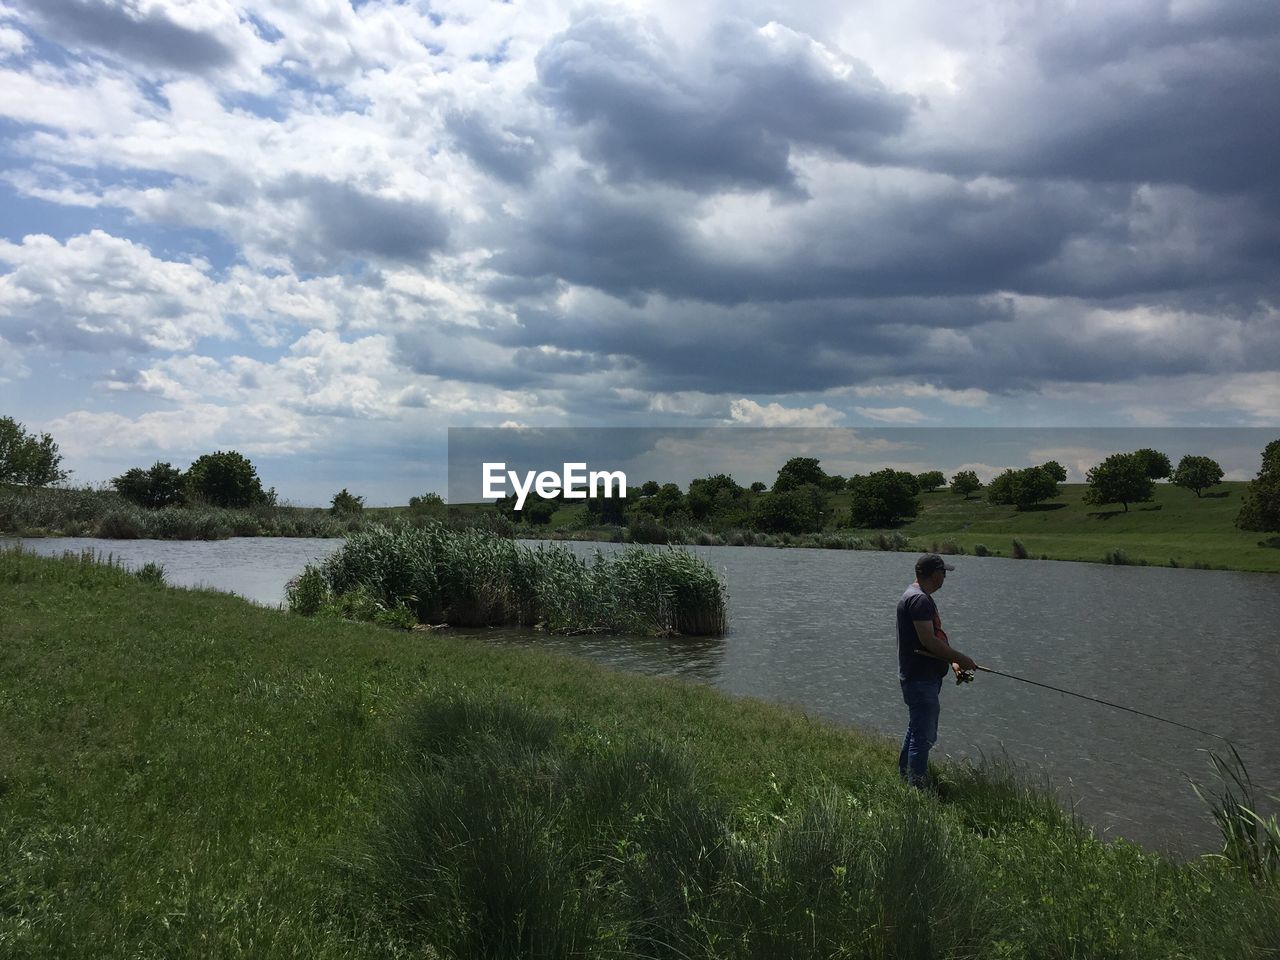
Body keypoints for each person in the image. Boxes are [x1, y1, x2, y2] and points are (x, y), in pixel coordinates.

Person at [896, 554, 977, 789]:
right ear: (934, 574)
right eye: (943, 572)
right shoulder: (919, 600)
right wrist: (963, 658)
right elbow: (928, 641)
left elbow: (934, 639)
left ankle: (905, 777)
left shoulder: (919, 596)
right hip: (920, 679)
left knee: (916, 728)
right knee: (923, 737)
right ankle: (917, 789)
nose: (945, 576)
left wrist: (953, 663)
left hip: (921, 677)